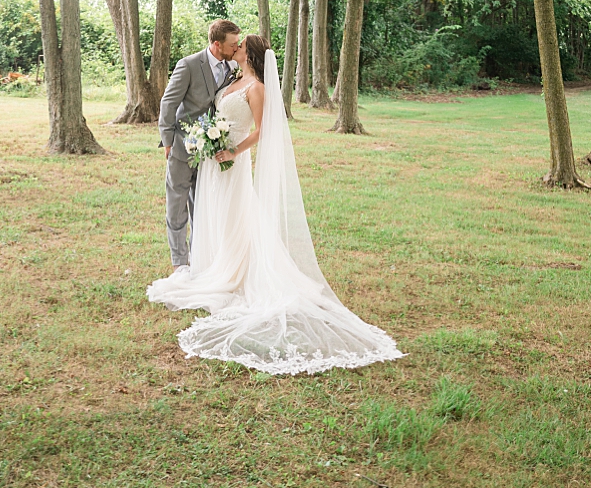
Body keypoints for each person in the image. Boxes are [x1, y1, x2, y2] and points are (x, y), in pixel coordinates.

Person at [146, 34, 404, 374]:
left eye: (239, 46)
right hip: (213, 160)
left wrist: (232, 150)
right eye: (232, 44)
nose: (234, 49)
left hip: (231, 161)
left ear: (249, 54)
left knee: (234, 214)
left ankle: (234, 272)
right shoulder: (233, 78)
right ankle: (210, 265)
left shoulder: (257, 88)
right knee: (217, 215)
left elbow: (262, 130)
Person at [157, 20, 242, 272]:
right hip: (183, 147)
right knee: (177, 206)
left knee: (202, 208)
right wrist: (168, 141)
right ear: (217, 44)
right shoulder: (189, 65)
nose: (236, 48)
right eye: (232, 44)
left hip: (212, 151)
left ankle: (199, 258)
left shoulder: (234, 66)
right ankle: (180, 263)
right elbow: (168, 104)